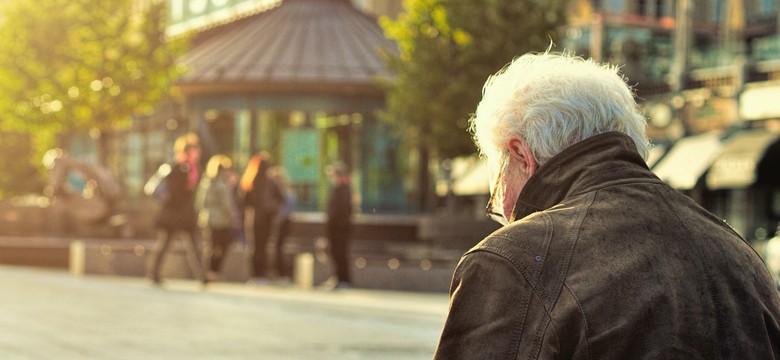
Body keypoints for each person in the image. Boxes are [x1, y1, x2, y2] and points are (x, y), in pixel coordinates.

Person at [434, 51, 780, 358]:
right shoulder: (741, 256)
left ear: (522, 156)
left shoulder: (512, 261)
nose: (505, 213)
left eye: (496, 190)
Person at [147, 132, 207, 286]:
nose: (197, 153)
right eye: (195, 149)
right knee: (166, 243)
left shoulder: (193, 168)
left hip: (186, 214)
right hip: (175, 214)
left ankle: (202, 276)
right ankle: (153, 273)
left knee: (194, 245)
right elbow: (174, 192)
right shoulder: (179, 168)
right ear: (189, 151)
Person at [241, 152, 285, 285]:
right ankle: (262, 274)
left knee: (255, 246)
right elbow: (282, 198)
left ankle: (255, 274)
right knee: (264, 246)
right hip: (266, 218)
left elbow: (243, 199)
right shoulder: (270, 181)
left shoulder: (250, 180)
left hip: (254, 217)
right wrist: (273, 208)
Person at [195, 154, 240, 282]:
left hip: (207, 219)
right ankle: (214, 271)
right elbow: (227, 203)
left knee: (211, 245)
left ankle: (208, 272)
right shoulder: (221, 183)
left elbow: (199, 202)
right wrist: (234, 216)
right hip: (221, 220)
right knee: (222, 245)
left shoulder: (205, 182)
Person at [324, 162, 353, 289]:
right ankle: (339, 278)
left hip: (339, 228)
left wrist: (336, 224)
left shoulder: (343, 190)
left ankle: (343, 279)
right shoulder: (339, 189)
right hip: (336, 227)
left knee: (339, 253)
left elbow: (342, 211)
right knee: (336, 253)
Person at [269, 166, 296, 280]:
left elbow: (285, 210)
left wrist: (276, 221)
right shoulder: (286, 192)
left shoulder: (286, 193)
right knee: (278, 247)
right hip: (282, 222)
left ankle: (281, 272)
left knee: (279, 247)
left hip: (283, 223)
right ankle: (277, 271)